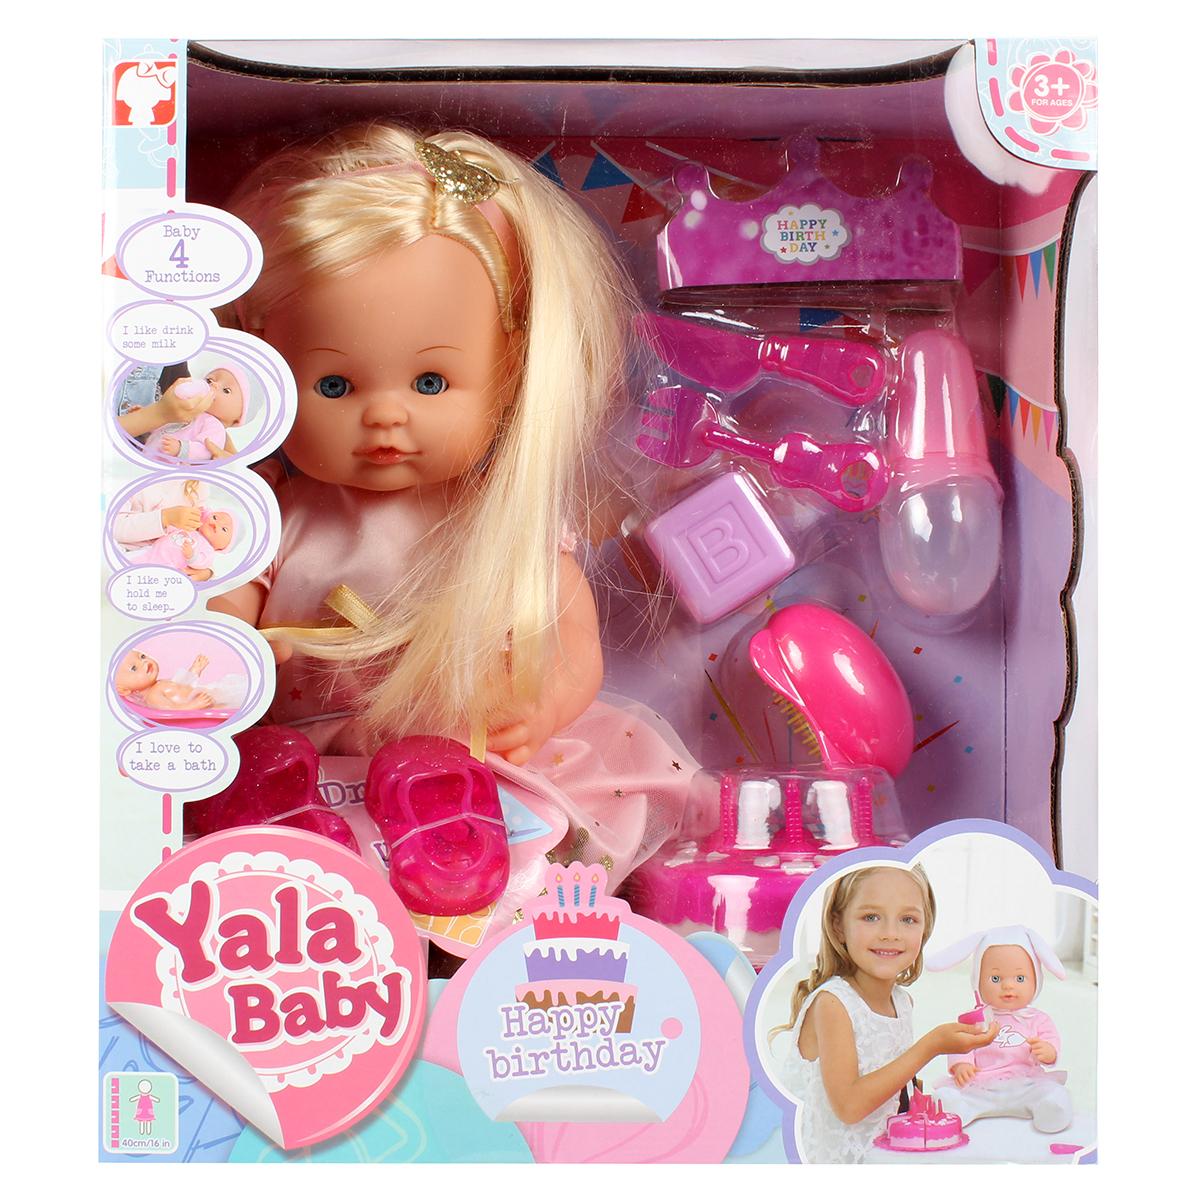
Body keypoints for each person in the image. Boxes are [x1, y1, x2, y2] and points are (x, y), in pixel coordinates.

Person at [771, 865, 997, 1163]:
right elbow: (849, 1106)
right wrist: (931, 1046)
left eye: (908, 919)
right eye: (871, 917)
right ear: (839, 926)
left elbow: (891, 1081)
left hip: (879, 1156)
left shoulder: (902, 1002)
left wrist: (916, 1095)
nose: (890, 934)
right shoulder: (833, 1004)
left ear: (925, 929)